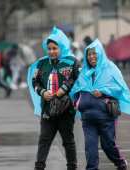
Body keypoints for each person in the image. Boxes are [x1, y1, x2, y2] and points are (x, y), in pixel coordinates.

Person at [70, 39, 130, 170]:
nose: (91, 56)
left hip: (106, 117)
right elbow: (76, 90)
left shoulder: (111, 69)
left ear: (100, 53)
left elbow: (120, 88)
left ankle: (120, 163)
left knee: (108, 145)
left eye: (94, 53)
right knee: (90, 150)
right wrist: (77, 103)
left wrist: (103, 92)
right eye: (89, 54)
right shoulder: (84, 72)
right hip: (88, 118)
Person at [28, 27, 79, 170]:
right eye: (49, 49)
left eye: (55, 48)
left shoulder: (72, 62)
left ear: (62, 47)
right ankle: (39, 167)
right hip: (47, 109)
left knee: (68, 141)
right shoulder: (41, 63)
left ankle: (72, 166)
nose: (51, 52)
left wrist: (64, 89)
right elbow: (35, 82)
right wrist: (42, 91)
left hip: (66, 109)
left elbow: (77, 79)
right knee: (44, 139)